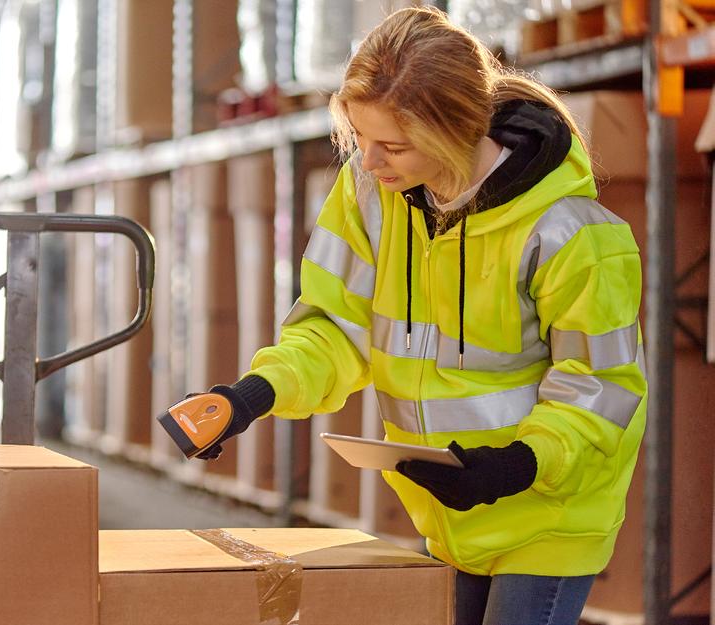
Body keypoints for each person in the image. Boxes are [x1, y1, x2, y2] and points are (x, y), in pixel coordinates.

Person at [171, 8, 647, 625]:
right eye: (359, 138)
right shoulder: (373, 197)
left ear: (455, 132)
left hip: (549, 510)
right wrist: (250, 397)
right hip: (451, 505)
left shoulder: (570, 233)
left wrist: (515, 465)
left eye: (392, 145)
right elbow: (333, 327)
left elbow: (601, 387)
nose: (368, 162)